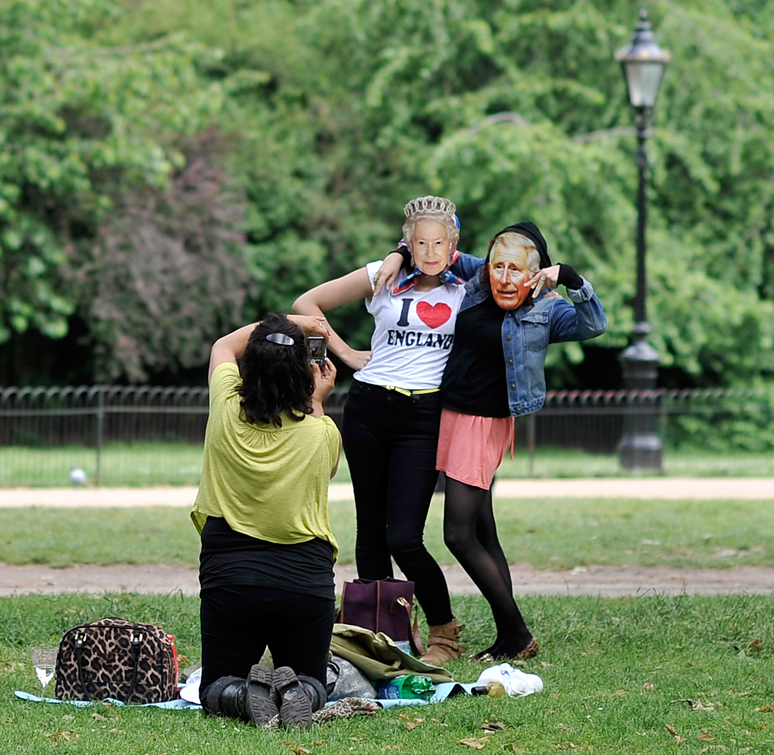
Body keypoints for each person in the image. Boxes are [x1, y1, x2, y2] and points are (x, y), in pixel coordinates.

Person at [377, 221, 607, 662]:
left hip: (482, 425)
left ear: (536, 273)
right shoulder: (479, 279)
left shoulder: (546, 310)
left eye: (517, 269)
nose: (504, 276)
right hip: (447, 415)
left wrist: (572, 277)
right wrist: (398, 254)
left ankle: (517, 633)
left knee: (458, 534)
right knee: (486, 531)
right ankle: (509, 633)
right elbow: (433, 249)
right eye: (498, 265)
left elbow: (595, 323)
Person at [293, 195, 467, 665]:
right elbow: (305, 304)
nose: (429, 252)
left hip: (424, 415)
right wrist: (340, 356)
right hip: (369, 406)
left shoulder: (466, 286)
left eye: (439, 242)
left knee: (404, 537)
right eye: (419, 242)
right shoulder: (382, 274)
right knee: (369, 532)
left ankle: (444, 635)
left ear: (453, 246)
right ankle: (379, 637)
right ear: (407, 244)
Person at [191, 312, 341, 728]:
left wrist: (291, 321)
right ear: (304, 376)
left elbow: (223, 344)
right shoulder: (321, 432)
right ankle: (299, 692)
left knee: (215, 686)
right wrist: (316, 400)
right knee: (314, 679)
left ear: (248, 367)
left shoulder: (223, 409)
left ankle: (241, 695)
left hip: (232, 585)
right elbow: (326, 465)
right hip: (304, 589)